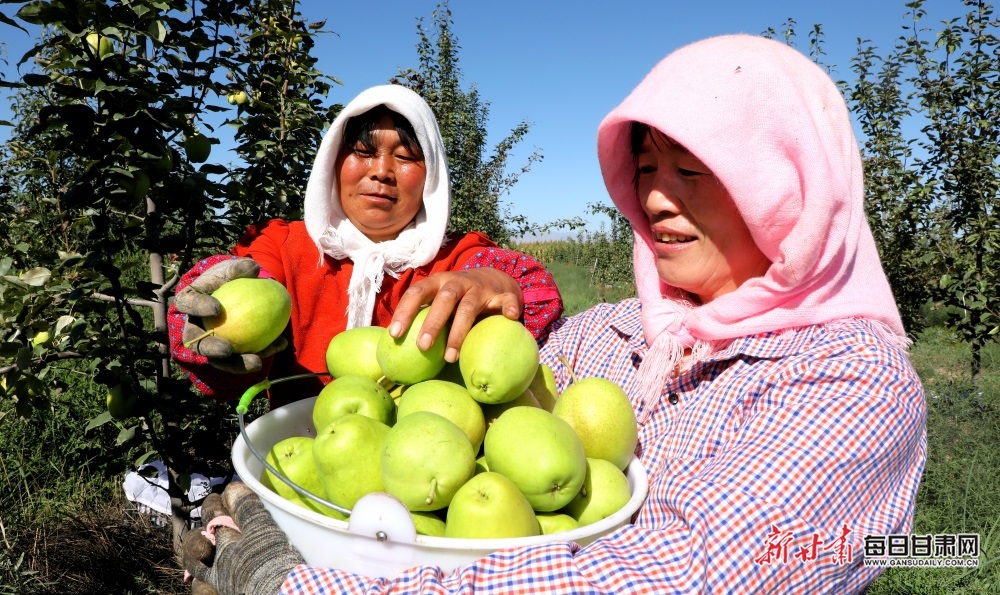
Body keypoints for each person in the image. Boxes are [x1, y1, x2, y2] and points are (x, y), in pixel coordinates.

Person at [177, 34, 927, 594]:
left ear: (789, 183)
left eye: (695, 169)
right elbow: (517, 385)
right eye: (645, 170)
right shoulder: (621, 332)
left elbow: (703, 569)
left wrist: (293, 580)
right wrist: (199, 322)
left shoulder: (849, 382)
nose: (658, 200)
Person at [168, 84, 563, 408]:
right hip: (300, 455)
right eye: (363, 151)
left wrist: (495, 284)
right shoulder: (287, 247)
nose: (381, 171)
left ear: (431, 178)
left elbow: (535, 291)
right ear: (335, 160)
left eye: (406, 156)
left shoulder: (451, 260)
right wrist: (217, 315)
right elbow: (249, 282)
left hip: (421, 464)